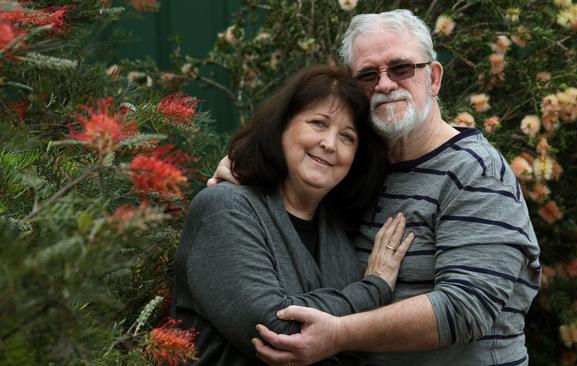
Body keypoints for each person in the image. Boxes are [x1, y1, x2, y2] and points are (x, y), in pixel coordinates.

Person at [211, 9, 541, 366]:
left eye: (401, 69)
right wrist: (249, 173)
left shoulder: (474, 171)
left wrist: (339, 334)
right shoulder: (354, 170)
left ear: (433, 78)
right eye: (368, 75)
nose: (384, 85)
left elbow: (466, 307)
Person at [172, 64, 415, 365]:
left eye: (347, 137)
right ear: (282, 125)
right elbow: (276, 330)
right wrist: (373, 288)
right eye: (318, 123)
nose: (329, 144)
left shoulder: (337, 228)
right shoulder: (225, 207)